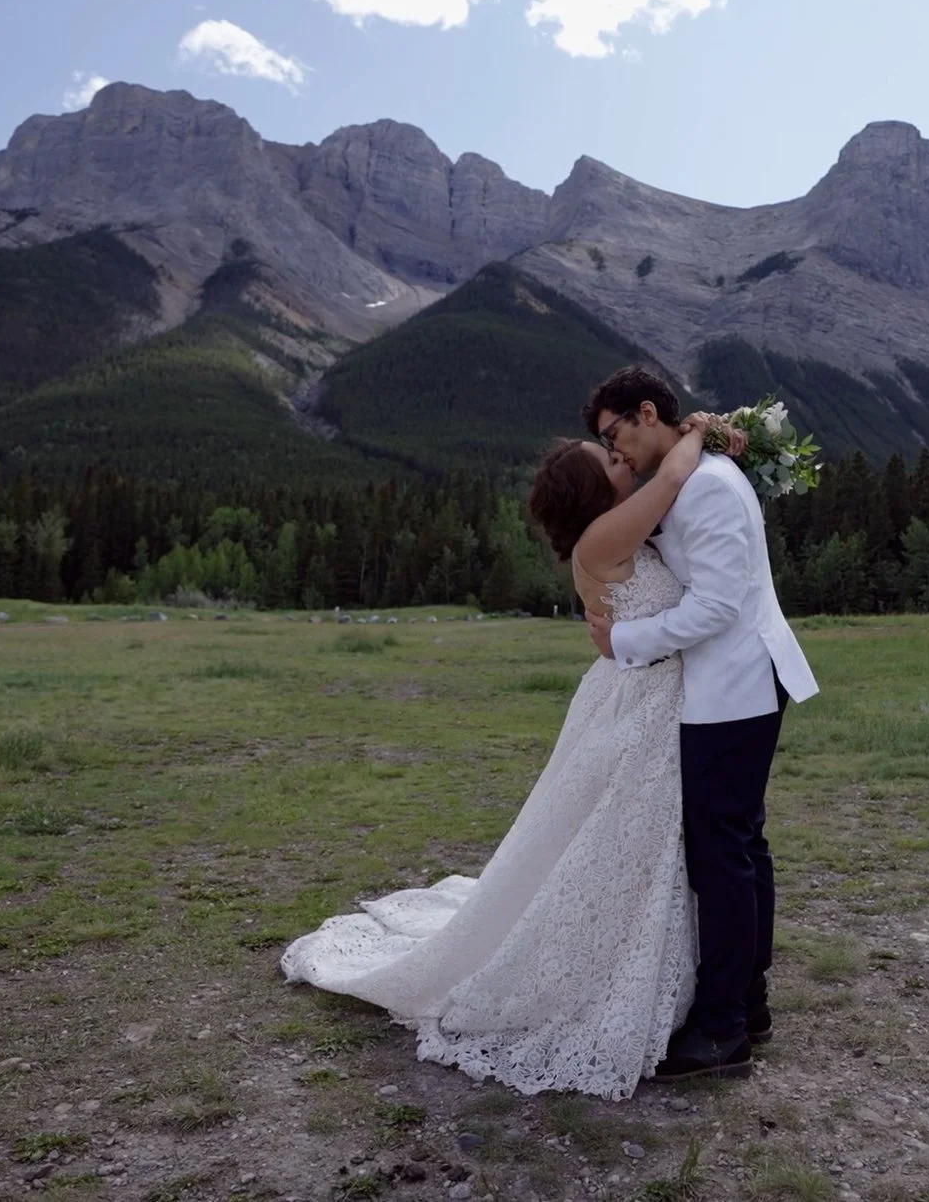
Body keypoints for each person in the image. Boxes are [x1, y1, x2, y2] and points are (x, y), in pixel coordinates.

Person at [278, 413, 721, 1099]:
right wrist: (708, 428)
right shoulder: (607, 533)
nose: (618, 460)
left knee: (627, 840)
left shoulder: (616, 528)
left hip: (643, 697)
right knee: (625, 839)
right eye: (605, 461)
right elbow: (672, 472)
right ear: (590, 494)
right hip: (640, 705)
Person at [582, 365, 818, 1082]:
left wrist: (625, 643)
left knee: (721, 856)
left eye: (613, 433)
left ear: (646, 413)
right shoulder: (690, 477)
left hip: (736, 687)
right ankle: (747, 1004)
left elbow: (717, 606)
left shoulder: (707, 488)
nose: (613, 451)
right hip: (738, 683)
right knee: (739, 847)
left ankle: (722, 1031)